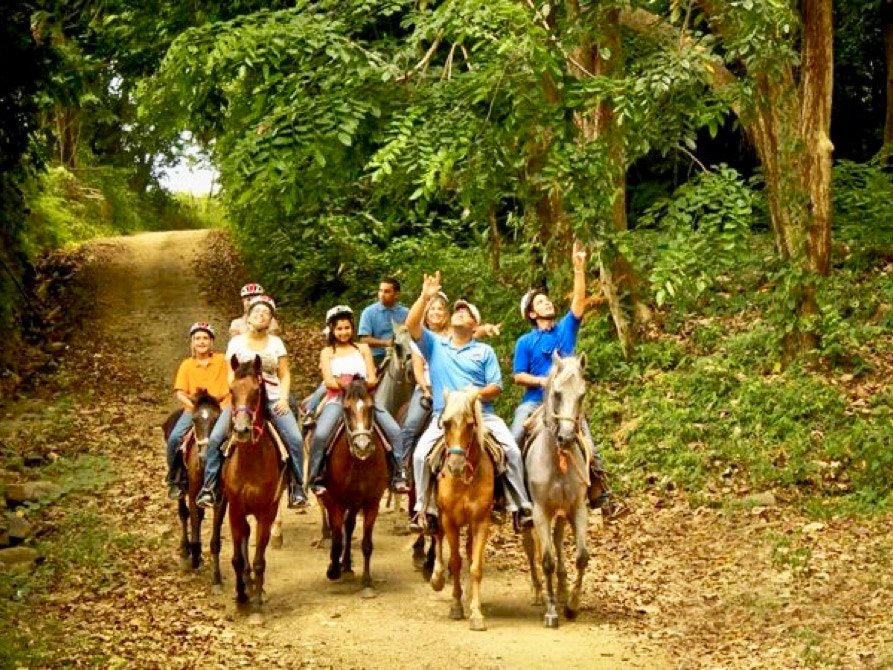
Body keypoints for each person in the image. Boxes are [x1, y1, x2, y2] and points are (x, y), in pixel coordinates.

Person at [406, 273, 534, 534]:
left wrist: (475, 394)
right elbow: (412, 326)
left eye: (466, 313)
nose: (459, 313)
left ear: (474, 324)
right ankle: (424, 508)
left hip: (482, 416)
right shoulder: (436, 344)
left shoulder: (484, 351)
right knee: (420, 455)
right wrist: (425, 296)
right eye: (457, 311)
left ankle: (519, 505)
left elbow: (497, 386)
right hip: (445, 418)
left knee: (511, 451)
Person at [511, 241, 626, 520]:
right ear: (531, 313)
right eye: (540, 302)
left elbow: (578, 302)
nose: (547, 302)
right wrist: (542, 382)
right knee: (513, 441)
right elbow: (517, 376)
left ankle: (602, 495)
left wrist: (579, 269)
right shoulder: (526, 341)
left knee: (590, 444)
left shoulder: (564, 330)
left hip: (567, 407)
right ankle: (515, 501)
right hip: (534, 403)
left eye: (547, 299)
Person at [197, 295, 307, 509]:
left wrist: (284, 398)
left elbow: (284, 374)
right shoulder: (236, 343)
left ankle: (297, 488)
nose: (261, 316)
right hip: (243, 401)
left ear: (271, 320)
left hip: (273, 398)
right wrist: (237, 394)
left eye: (266, 313)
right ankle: (209, 487)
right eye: (257, 312)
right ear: (248, 317)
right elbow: (230, 373)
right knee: (215, 438)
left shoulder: (276, 343)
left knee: (294, 439)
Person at [307, 305, 409, 494]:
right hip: (338, 399)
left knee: (394, 430)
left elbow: (372, 378)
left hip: (364, 397)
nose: (343, 332)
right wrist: (349, 384)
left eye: (347, 328)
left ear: (352, 328)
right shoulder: (327, 352)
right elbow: (329, 381)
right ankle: (316, 476)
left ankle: (398, 474)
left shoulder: (362, 348)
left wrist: (355, 385)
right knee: (321, 435)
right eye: (339, 328)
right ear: (332, 330)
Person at [165, 322, 230, 499]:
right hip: (195, 408)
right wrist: (194, 408)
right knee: (175, 438)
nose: (202, 342)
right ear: (192, 342)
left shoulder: (222, 361)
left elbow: (231, 386)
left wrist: (223, 404)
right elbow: (179, 392)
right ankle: (176, 478)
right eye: (198, 338)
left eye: (205, 338)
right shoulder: (187, 365)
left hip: (220, 407)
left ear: (211, 341)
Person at [357, 277, 409, 367]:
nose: (382, 294)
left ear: (396, 294)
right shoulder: (368, 312)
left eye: (387, 291)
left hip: (402, 356)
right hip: (377, 356)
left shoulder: (406, 312)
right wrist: (386, 343)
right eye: (380, 291)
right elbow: (364, 339)